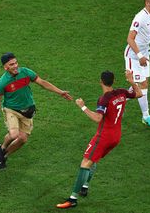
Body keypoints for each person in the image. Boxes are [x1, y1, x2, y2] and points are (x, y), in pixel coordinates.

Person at [56, 70, 142, 209]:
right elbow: (139, 94)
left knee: (85, 163)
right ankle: (84, 187)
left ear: (100, 81)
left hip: (104, 136)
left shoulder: (104, 99)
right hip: (116, 136)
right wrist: (131, 80)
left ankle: (73, 199)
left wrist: (82, 106)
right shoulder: (121, 92)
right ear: (113, 81)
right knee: (93, 160)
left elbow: (97, 118)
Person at [0, 52, 73, 169]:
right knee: (14, 134)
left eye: (16, 63)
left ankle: (5, 155)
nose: (15, 66)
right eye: (11, 64)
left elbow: (42, 83)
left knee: (22, 139)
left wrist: (60, 92)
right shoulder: (2, 82)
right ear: (6, 67)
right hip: (11, 110)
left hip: (27, 111)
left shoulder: (26, 72)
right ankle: (2, 148)